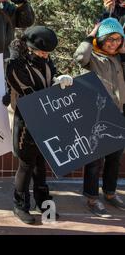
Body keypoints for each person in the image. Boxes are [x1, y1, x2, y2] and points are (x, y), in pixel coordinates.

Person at [6, 26, 73, 224]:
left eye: (47, 53)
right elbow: (29, 94)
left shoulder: (46, 60)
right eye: (41, 51)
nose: (45, 55)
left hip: (47, 119)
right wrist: (53, 88)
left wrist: (60, 79)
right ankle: (20, 205)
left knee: (41, 164)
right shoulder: (16, 65)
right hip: (26, 121)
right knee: (26, 165)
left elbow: (52, 75)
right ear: (28, 47)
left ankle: (43, 202)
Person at [74, 18, 125, 217]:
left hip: (119, 113)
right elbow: (79, 57)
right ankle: (91, 198)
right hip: (97, 114)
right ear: (100, 39)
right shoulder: (93, 57)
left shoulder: (120, 58)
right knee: (95, 160)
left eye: (118, 39)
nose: (114, 43)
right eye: (109, 39)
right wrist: (91, 35)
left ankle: (110, 193)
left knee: (115, 157)